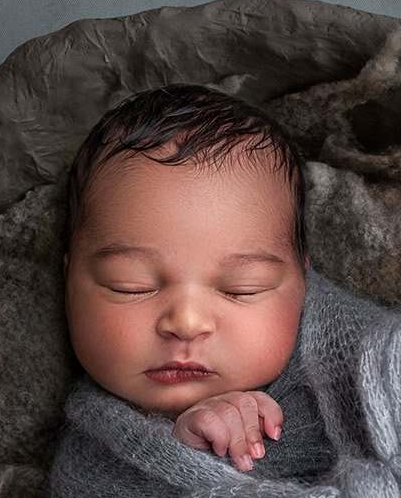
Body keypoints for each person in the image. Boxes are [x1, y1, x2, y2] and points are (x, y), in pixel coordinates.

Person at [60, 83, 310, 474]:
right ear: (68, 281)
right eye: (131, 285)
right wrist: (182, 460)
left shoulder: (349, 363)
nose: (187, 323)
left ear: (304, 285)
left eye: (242, 288)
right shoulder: (87, 445)